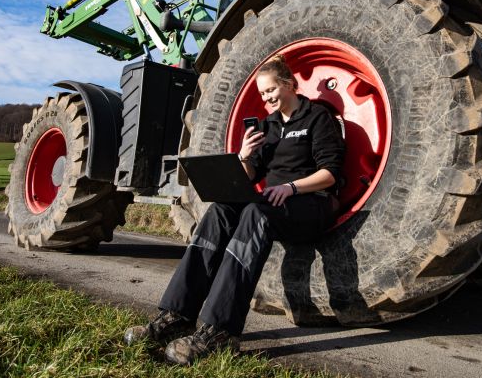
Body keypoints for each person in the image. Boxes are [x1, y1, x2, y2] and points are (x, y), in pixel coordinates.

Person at [124, 54, 345, 365]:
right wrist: (244, 154)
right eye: (262, 93)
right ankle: (177, 315)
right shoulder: (267, 126)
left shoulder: (316, 117)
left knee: (257, 214)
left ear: (290, 84)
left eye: (271, 90)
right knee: (222, 210)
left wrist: (290, 187)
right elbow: (250, 176)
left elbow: (331, 173)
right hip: (274, 203)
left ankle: (220, 330)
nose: (266, 98)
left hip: (313, 201)